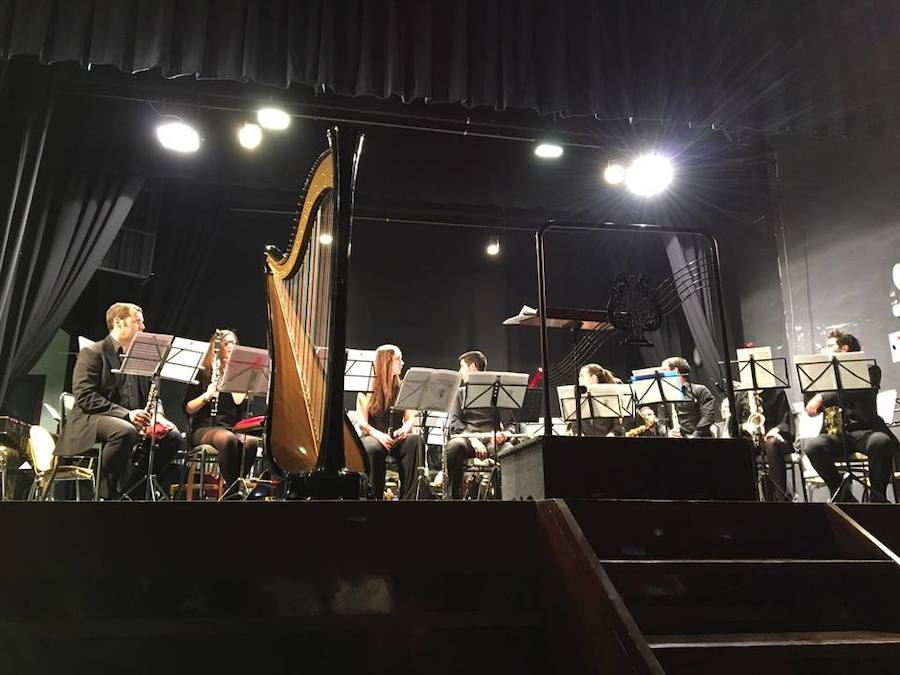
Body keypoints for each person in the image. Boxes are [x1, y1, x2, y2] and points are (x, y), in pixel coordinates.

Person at [56, 302, 183, 499]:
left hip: (129, 421)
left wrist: (159, 416)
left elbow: (153, 395)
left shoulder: (141, 359)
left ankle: (131, 492)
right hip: (91, 419)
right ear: (118, 322)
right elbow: (85, 396)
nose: (143, 327)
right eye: (137, 322)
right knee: (125, 431)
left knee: (173, 437)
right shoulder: (93, 352)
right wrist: (127, 414)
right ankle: (105, 495)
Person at [804, 330, 897, 502]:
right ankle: (844, 497)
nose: (824, 349)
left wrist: (822, 397)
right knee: (813, 447)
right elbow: (810, 407)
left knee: (881, 441)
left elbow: (859, 391)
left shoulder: (870, 370)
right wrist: (812, 387)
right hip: (836, 434)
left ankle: (878, 499)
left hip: (865, 431)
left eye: (829, 345)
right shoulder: (824, 376)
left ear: (844, 349)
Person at [183, 329, 258, 495]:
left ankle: (235, 485)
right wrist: (207, 395)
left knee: (251, 442)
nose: (231, 346)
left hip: (233, 427)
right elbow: (188, 408)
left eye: (234, 343)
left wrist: (237, 378)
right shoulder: (204, 372)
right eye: (226, 343)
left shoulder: (240, 374)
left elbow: (242, 404)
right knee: (228, 439)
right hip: (205, 428)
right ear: (216, 348)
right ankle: (233, 491)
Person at [443, 350, 515, 500]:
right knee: (453, 447)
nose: (460, 372)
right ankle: (454, 499)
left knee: (509, 451)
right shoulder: (460, 393)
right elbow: (455, 423)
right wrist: (473, 440)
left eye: (462, 366)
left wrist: (504, 435)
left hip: (492, 442)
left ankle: (508, 499)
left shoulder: (497, 392)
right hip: (468, 441)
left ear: (472, 367)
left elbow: (510, 425)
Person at [355, 344, 422, 500]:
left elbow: (410, 417)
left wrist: (405, 428)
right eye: (398, 359)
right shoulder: (366, 388)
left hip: (396, 437)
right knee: (372, 449)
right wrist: (379, 435)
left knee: (415, 441)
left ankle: (409, 498)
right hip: (374, 436)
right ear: (386, 362)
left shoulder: (403, 388)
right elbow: (362, 423)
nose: (402, 363)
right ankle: (374, 498)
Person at [734, 387, 795, 500]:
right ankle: (750, 498)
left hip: (776, 440)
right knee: (742, 448)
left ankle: (781, 496)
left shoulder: (777, 391)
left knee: (771, 443)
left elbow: (785, 420)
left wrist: (776, 430)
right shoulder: (740, 395)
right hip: (753, 440)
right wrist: (745, 426)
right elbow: (733, 426)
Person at [660, 356, 716, 438]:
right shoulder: (664, 395)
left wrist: (694, 437)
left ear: (675, 371)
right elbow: (661, 422)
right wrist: (668, 433)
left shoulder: (700, 390)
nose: (661, 375)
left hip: (698, 439)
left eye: (664, 370)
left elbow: (708, 417)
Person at [569, 363, 626, 437]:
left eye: (582, 376)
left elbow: (617, 428)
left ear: (593, 378)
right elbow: (576, 428)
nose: (579, 380)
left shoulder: (611, 397)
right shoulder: (578, 399)